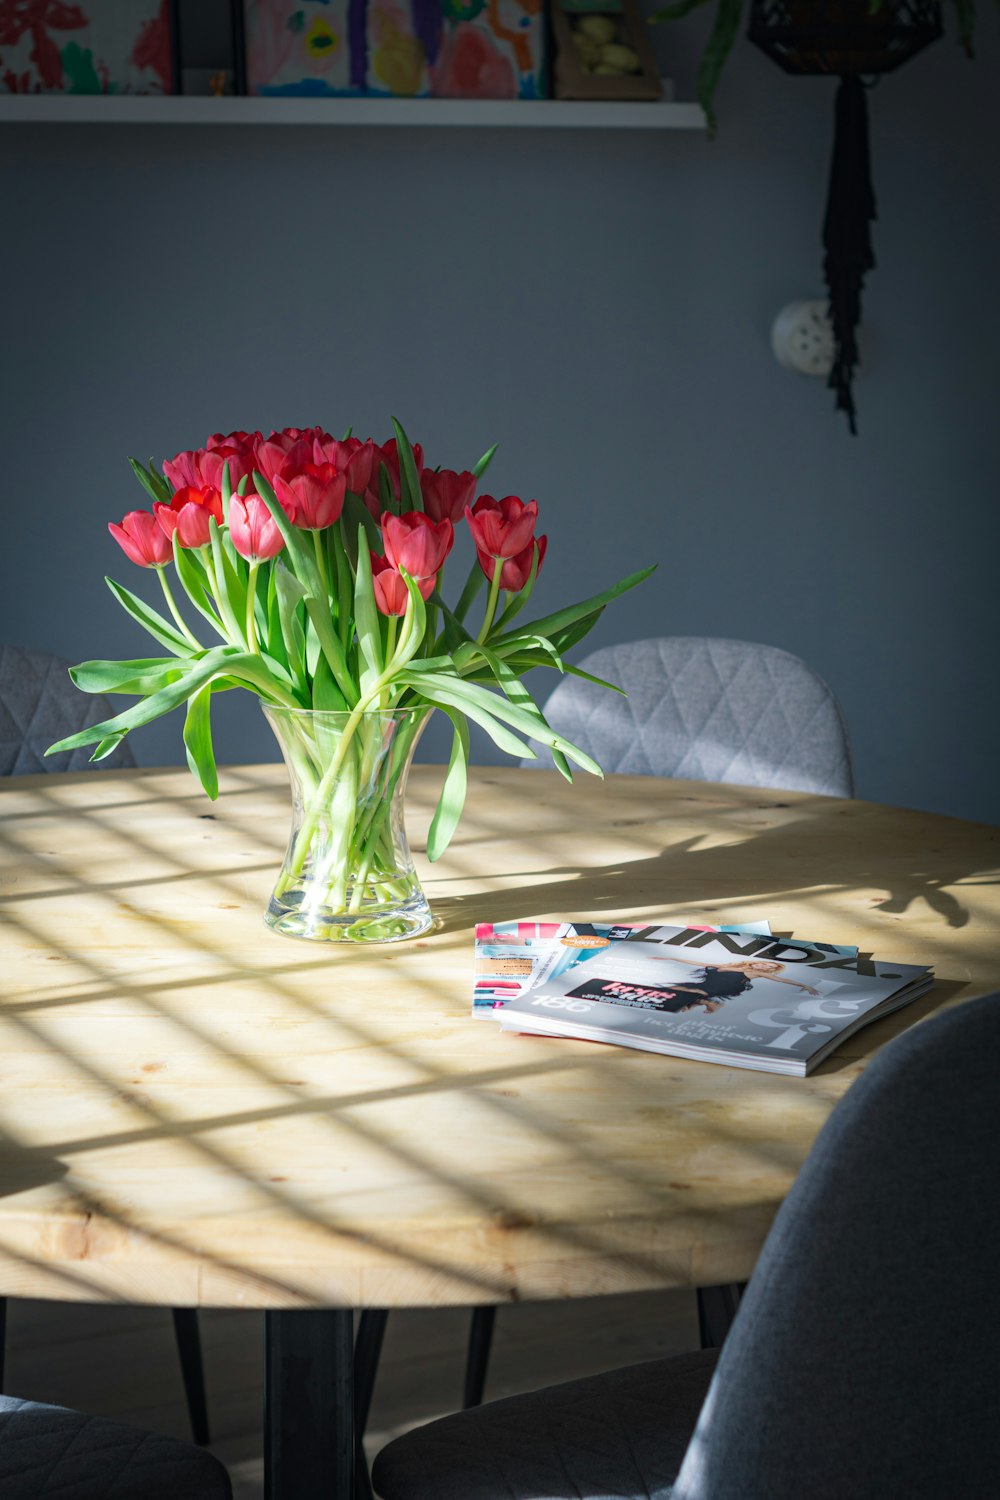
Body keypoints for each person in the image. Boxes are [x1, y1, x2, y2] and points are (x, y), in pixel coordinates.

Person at [647, 956, 819, 1015]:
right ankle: (707, 1003)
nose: (765, 967)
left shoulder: (755, 973)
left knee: (689, 991)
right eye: (765, 964)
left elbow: (781, 980)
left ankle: (708, 1002)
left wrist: (805, 985)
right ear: (758, 962)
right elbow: (699, 962)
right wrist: (672, 958)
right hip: (707, 984)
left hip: (727, 987)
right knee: (684, 1005)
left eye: (770, 968)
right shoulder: (729, 966)